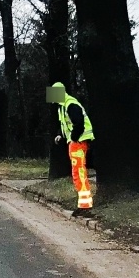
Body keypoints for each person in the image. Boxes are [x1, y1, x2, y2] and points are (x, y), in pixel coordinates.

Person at [45, 82, 94, 214]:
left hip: (78, 142)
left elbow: (79, 124)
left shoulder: (70, 104)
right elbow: (67, 124)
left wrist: (73, 138)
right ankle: (84, 203)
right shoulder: (63, 106)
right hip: (77, 142)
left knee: (79, 172)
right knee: (78, 172)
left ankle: (85, 205)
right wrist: (61, 135)